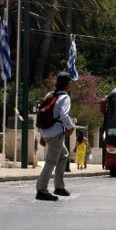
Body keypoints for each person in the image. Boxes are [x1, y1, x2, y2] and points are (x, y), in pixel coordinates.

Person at [36, 72, 75, 201]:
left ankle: (59, 186)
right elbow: (64, 115)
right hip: (56, 134)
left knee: (64, 155)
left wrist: (42, 134)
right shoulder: (64, 97)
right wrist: (70, 127)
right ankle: (41, 190)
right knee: (51, 161)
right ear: (67, 84)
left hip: (46, 132)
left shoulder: (50, 95)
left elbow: (41, 114)